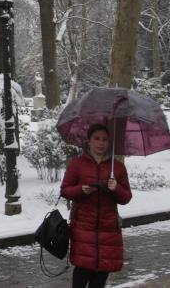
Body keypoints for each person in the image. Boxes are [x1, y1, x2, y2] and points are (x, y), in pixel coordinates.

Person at [60, 123, 132, 288]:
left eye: (105, 139)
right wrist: (82, 190)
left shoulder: (117, 168)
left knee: (100, 278)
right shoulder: (77, 164)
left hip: (108, 230)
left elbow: (126, 197)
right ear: (89, 141)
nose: (101, 143)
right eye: (97, 138)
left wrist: (116, 189)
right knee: (81, 275)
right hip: (83, 228)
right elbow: (65, 190)